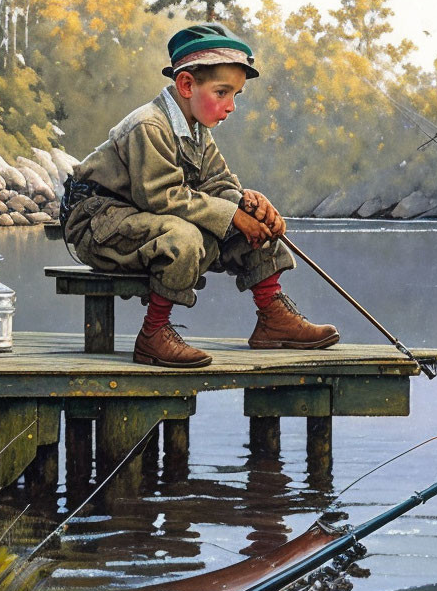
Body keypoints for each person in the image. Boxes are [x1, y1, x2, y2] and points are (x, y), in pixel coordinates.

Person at [60, 23, 339, 368]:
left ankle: (272, 318)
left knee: (248, 223)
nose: (231, 105)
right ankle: (154, 334)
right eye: (222, 93)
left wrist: (246, 203)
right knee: (184, 237)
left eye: (235, 95)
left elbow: (217, 183)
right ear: (187, 84)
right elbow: (161, 197)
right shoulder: (150, 125)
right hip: (99, 224)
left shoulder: (195, 129)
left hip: (140, 220)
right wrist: (231, 214)